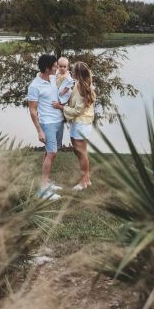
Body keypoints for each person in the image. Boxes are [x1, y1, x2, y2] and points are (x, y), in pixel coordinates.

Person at [52, 62, 95, 191]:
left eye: (73, 70)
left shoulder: (83, 88)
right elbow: (62, 82)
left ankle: (83, 182)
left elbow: (77, 111)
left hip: (81, 123)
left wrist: (61, 107)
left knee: (80, 153)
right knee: (81, 152)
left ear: (77, 73)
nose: (70, 71)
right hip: (81, 123)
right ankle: (87, 179)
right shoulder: (77, 84)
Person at [27, 54, 65, 200]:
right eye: (55, 66)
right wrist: (39, 130)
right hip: (47, 123)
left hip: (58, 121)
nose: (57, 68)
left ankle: (46, 182)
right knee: (52, 153)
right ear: (47, 68)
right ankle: (42, 190)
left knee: (49, 152)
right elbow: (32, 110)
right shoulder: (34, 86)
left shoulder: (54, 79)